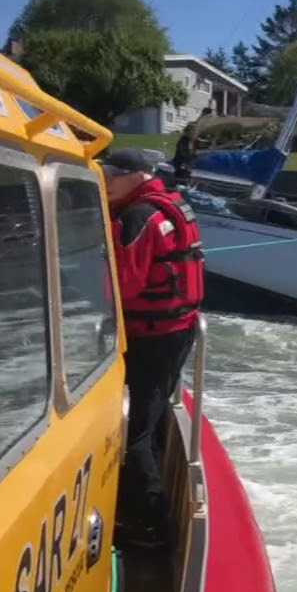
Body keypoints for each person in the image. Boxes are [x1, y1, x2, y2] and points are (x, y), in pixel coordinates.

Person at [100, 148, 205, 548]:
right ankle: (150, 496)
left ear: (137, 177)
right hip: (178, 329)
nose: (106, 182)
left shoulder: (136, 217)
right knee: (154, 411)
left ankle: (148, 522)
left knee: (138, 429)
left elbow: (123, 285)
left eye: (111, 174)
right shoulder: (173, 204)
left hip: (151, 334)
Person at [171, 106, 213, 185]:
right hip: (181, 168)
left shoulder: (194, 141)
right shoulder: (183, 141)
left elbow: (201, 148)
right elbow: (182, 155)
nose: (196, 134)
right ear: (188, 133)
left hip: (189, 169)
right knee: (182, 181)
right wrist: (194, 156)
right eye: (194, 132)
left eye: (196, 132)